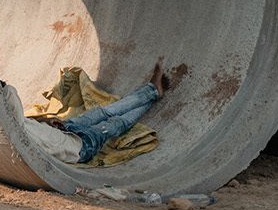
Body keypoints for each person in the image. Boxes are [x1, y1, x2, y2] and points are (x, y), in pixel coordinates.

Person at [22, 59, 170, 165]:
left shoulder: (15, 119)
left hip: (64, 128)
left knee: (103, 112)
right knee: (115, 123)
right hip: (80, 146)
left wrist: (46, 120)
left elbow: (30, 122)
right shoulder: (20, 144)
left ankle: (153, 91)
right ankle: (152, 91)